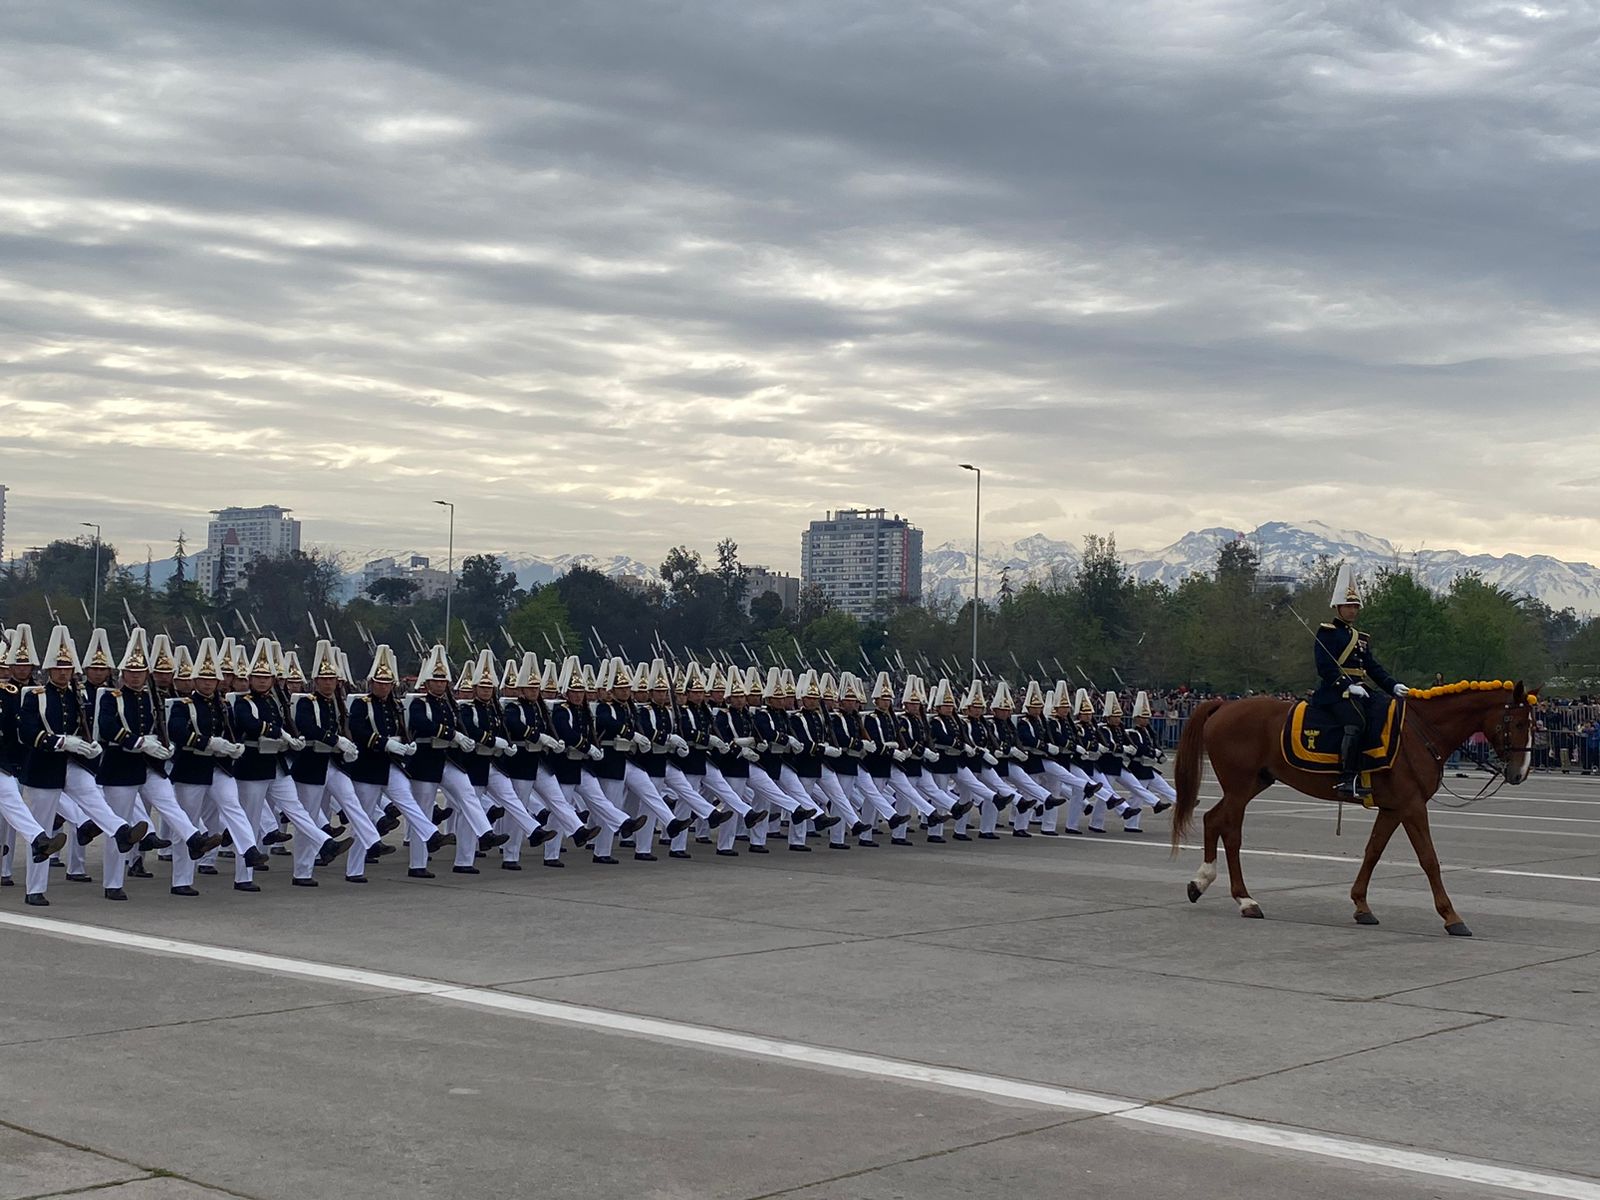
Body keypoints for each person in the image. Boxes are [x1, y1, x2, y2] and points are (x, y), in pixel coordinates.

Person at [1312, 564, 1410, 799]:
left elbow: (1372, 668)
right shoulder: (1327, 633)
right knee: (1355, 722)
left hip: (1361, 689)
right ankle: (1347, 777)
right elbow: (1325, 667)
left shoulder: (1361, 638)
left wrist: (1392, 685)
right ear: (1338, 607)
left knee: (1387, 712)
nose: (1353, 610)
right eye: (1348, 606)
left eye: (1356, 606)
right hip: (1336, 692)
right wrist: (1348, 686)